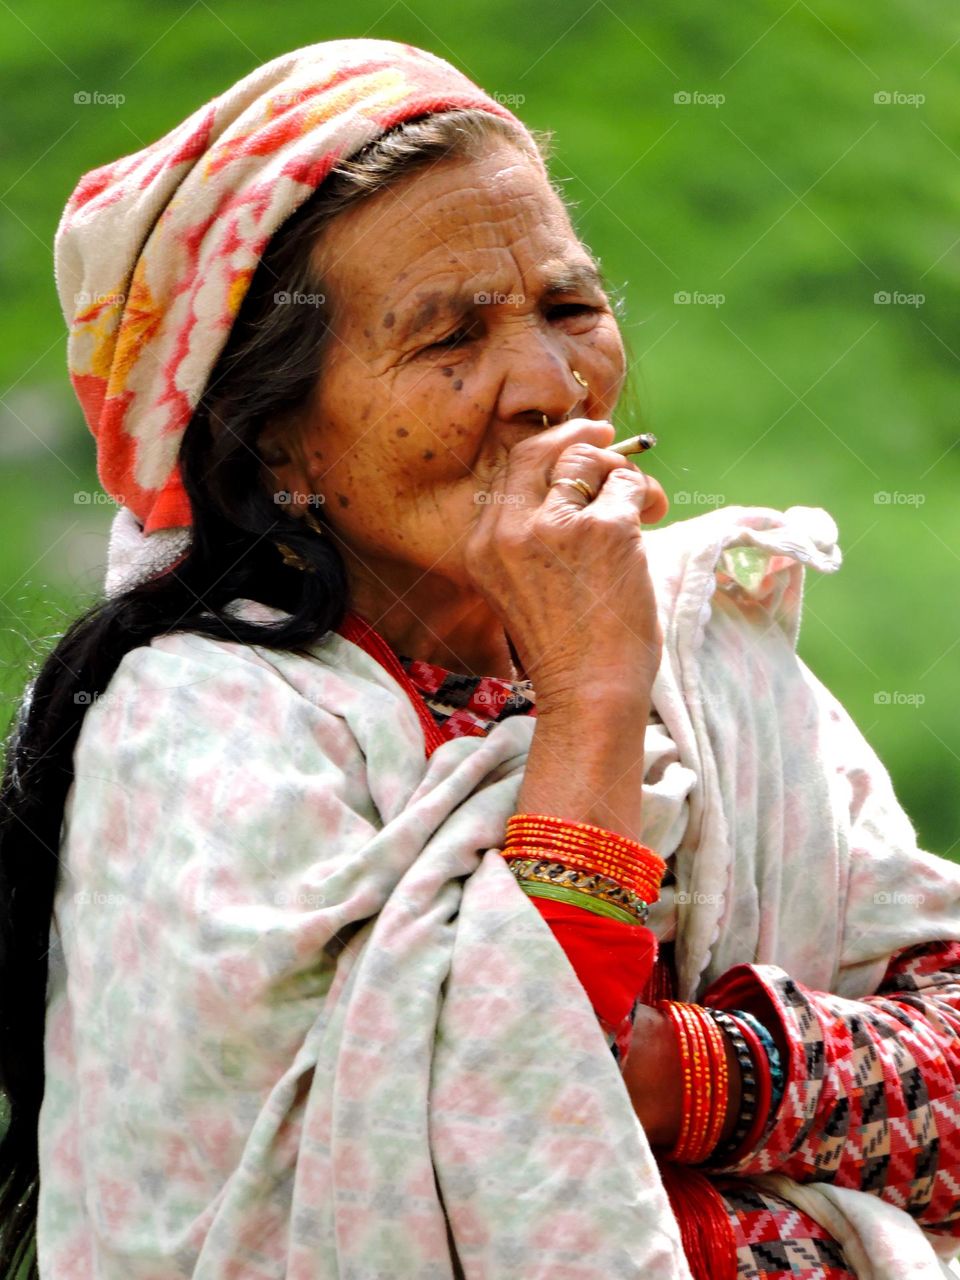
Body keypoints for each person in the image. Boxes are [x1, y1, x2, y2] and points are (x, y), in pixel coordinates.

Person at [1, 36, 959, 1280]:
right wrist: (595, 703)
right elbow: (484, 1187)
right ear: (278, 444)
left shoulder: (714, 652)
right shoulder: (200, 735)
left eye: (570, 308)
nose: (551, 385)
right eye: (449, 337)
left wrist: (686, 1074)